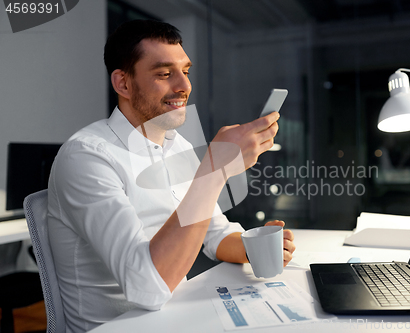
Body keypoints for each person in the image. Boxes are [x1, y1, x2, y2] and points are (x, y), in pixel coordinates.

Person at [47, 19, 296, 332]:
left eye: (186, 71)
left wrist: (253, 246)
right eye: (164, 74)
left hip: (176, 316)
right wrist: (213, 172)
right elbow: (147, 288)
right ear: (123, 84)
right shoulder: (87, 156)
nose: (184, 86)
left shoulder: (173, 144)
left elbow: (213, 234)